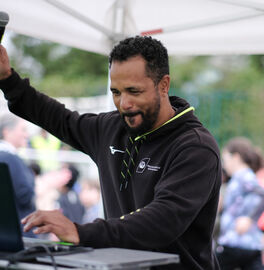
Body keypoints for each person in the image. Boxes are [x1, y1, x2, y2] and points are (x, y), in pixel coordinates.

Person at [0, 36, 221, 269]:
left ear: (164, 85)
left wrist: (79, 231)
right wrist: (7, 80)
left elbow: (162, 221)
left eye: (134, 91)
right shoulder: (111, 127)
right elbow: (59, 119)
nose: (124, 103)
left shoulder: (195, 148)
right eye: (116, 92)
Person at [216, 137, 264, 270]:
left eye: (226, 159)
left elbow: (263, 194)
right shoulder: (238, 178)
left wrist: (249, 218)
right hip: (246, 243)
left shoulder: (243, 176)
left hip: (235, 241)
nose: (224, 164)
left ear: (236, 157)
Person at [0, 113, 36, 237]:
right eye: (23, 130)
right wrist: (43, 184)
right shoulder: (10, 158)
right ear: (7, 131)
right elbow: (25, 196)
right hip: (20, 231)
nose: (26, 135)